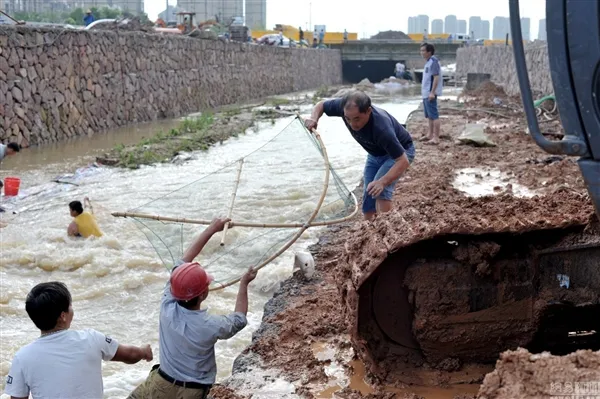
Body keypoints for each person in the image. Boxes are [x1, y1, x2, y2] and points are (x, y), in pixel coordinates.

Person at [128, 217, 258, 399]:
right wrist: (244, 284)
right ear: (204, 294)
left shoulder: (167, 304)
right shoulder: (210, 325)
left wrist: (211, 228)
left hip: (161, 384)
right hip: (193, 392)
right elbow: (239, 319)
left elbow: (184, 260)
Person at [4, 282, 153, 399]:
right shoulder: (91, 338)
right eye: (70, 306)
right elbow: (131, 355)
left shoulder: (22, 357)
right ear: (63, 316)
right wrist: (144, 351)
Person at [305, 91, 415, 220]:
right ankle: (370, 227)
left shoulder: (381, 128)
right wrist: (314, 118)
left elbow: (403, 161)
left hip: (400, 153)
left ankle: (390, 228)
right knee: (369, 194)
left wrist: (382, 182)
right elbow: (321, 105)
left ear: (368, 111)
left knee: (380, 191)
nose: (352, 124)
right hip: (375, 154)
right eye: (348, 119)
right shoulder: (344, 108)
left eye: (357, 118)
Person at [420, 42, 443, 144]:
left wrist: (432, 92)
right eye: (421, 50)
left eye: (423, 51)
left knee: (434, 115)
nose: (421, 53)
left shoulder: (433, 62)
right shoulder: (428, 62)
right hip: (425, 93)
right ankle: (430, 134)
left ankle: (436, 138)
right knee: (429, 116)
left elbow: (436, 77)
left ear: (429, 52)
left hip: (430, 93)